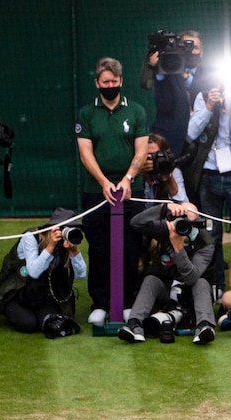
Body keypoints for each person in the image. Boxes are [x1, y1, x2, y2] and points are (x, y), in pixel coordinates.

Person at [76, 56, 148, 326]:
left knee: (131, 247)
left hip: (131, 190)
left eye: (114, 82)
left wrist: (128, 178)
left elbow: (141, 150)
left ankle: (128, 302)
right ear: (97, 83)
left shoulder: (137, 111)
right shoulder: (86, 113)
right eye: (105, 82)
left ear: (121, 82)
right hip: (96, 191)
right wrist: (104, 181)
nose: (110, 86)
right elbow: (85, 152)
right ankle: (100, 303)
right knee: (98, 247)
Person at [185, 75, 231, 292]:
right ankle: (214, 284)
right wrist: (209, 106)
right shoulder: (203, 98)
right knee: (211, 234)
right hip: (209, 174)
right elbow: (190, 134)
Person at [117, 201, 216, 344]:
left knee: (201, 283)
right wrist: (163, 208)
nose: (183, 224)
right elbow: (135, 223)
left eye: (188, 220)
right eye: (180, 218)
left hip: (191, 295)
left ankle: (204, 327)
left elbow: (192, 278)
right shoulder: (166, 229)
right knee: (151, 279)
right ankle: (134, 325)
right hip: (167, 288)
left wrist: (178, 248)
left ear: (197, 222)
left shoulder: (206, 243)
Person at [0, 208, 86, 338]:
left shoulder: (65, 245)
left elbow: (81, 274)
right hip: (16, 293)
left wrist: (74, 252)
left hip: (41, 295)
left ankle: (38, 313)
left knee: (50, 323)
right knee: (28, 324)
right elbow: (33, 271)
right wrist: (50, 247)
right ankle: (14, 311)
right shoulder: (30, 237)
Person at [140, 30, 209, 160]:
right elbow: (163, 104)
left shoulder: (211, 74)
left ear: (202, 52)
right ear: (178, 49)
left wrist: (184, 75)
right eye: (186, 47)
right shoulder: (166, 72)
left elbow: (205, 94)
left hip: (203, 147)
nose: (191, 52)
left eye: (195, 47)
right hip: (171, 142)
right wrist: (156, 67)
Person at [140, 133, 188, 206]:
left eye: (156, 154)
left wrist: (168, 177)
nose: (152, 158)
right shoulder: (135, 172)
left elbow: (183, 202)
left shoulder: (173, 171)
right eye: (149, 155)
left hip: (162, 213)